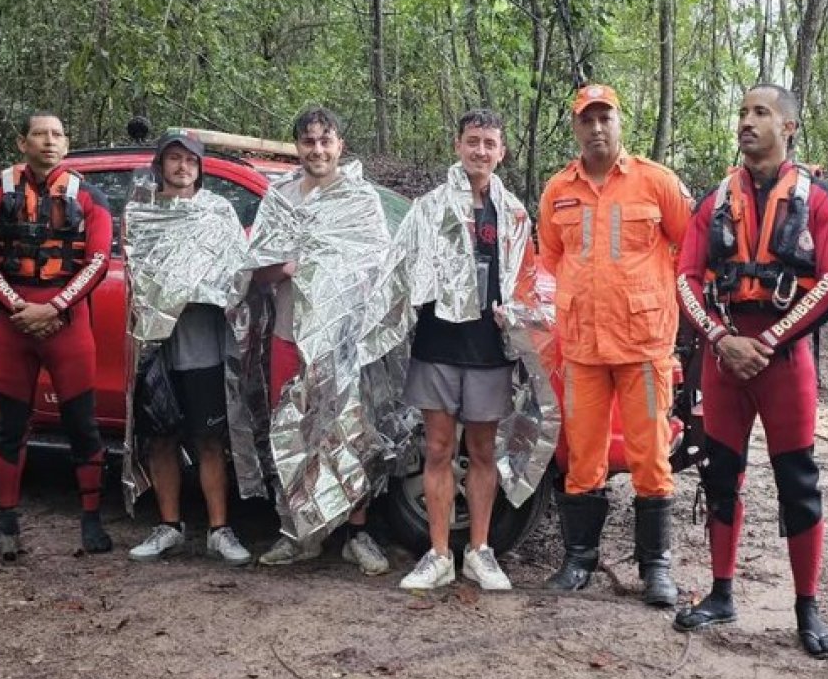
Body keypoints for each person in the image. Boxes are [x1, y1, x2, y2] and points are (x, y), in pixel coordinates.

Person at [670, 84, 828, 657]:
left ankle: (807, 608)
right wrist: (720, 339)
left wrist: (769, 340)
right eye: (743, 112)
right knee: (720, 474)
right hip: (724, 357)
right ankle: (721, 592)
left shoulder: (821, 200)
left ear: (788, 127)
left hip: (784, 359)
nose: (747, 121)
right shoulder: (714, 200)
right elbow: (685, 277)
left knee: (798, 482)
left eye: (761, 113)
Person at [537, 84, 692, 607]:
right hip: (581, 346)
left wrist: (659, 300)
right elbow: (551, 259)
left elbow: (689, 248)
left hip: (643, 347)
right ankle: (578, 560)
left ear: (620, 123)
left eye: (605, 118)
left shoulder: (656, 182)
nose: (597, 128)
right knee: (583, 456)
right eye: (587, 119)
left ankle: (656, 568)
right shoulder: (558, 190)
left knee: (651, 455)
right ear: (576, 127)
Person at [0, 112, 114, 561]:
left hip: (67, 323)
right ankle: (6, 521)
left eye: (57, 135)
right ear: (22, 142)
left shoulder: (90, 196)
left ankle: (91, 520)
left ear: (67, 144)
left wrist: (54, 307)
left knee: (83, 425)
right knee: (10, 426)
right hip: (13, 324)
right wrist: (17, 305)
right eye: (40, 134)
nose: (49, 141)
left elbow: (99, 260)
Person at [395, 109, 534, 591]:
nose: (480, 150)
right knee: (436, 448)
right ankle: (438, 555)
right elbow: (402, 268)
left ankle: (479, 550)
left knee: (482, 451)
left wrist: (516, 314)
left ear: (502, 152)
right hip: (437, 344)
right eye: (472, 141)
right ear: (457, 145)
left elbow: (527, 279)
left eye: (489, 143)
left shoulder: (513, 213)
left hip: (489, 348)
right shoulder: (428, 207)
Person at [251, 107, 391, 576]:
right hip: (289, 333)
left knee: (347, 430)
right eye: (308, 141)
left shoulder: (361, 200)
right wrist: (290, 266)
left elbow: (378, 267)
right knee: (291, 430)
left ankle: (356, 534)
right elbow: (258, 270)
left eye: (325, 140)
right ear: (297, 146)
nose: (317, 149)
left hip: (342, 337)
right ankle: (299, 534)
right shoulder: (280, 199)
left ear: (340, 145)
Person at [125, 130, 252, 566]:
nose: (182, 167)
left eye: (190, 160)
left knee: (209, 438)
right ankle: (169, 526)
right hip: (155, 344)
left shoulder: (217, 212)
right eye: (174, 158)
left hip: (203, 343)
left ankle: (220, 530)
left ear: (200, 168)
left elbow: (237, 273)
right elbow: (136, 272)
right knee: (160, 437)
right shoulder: (141, 214)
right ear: (160, 164)